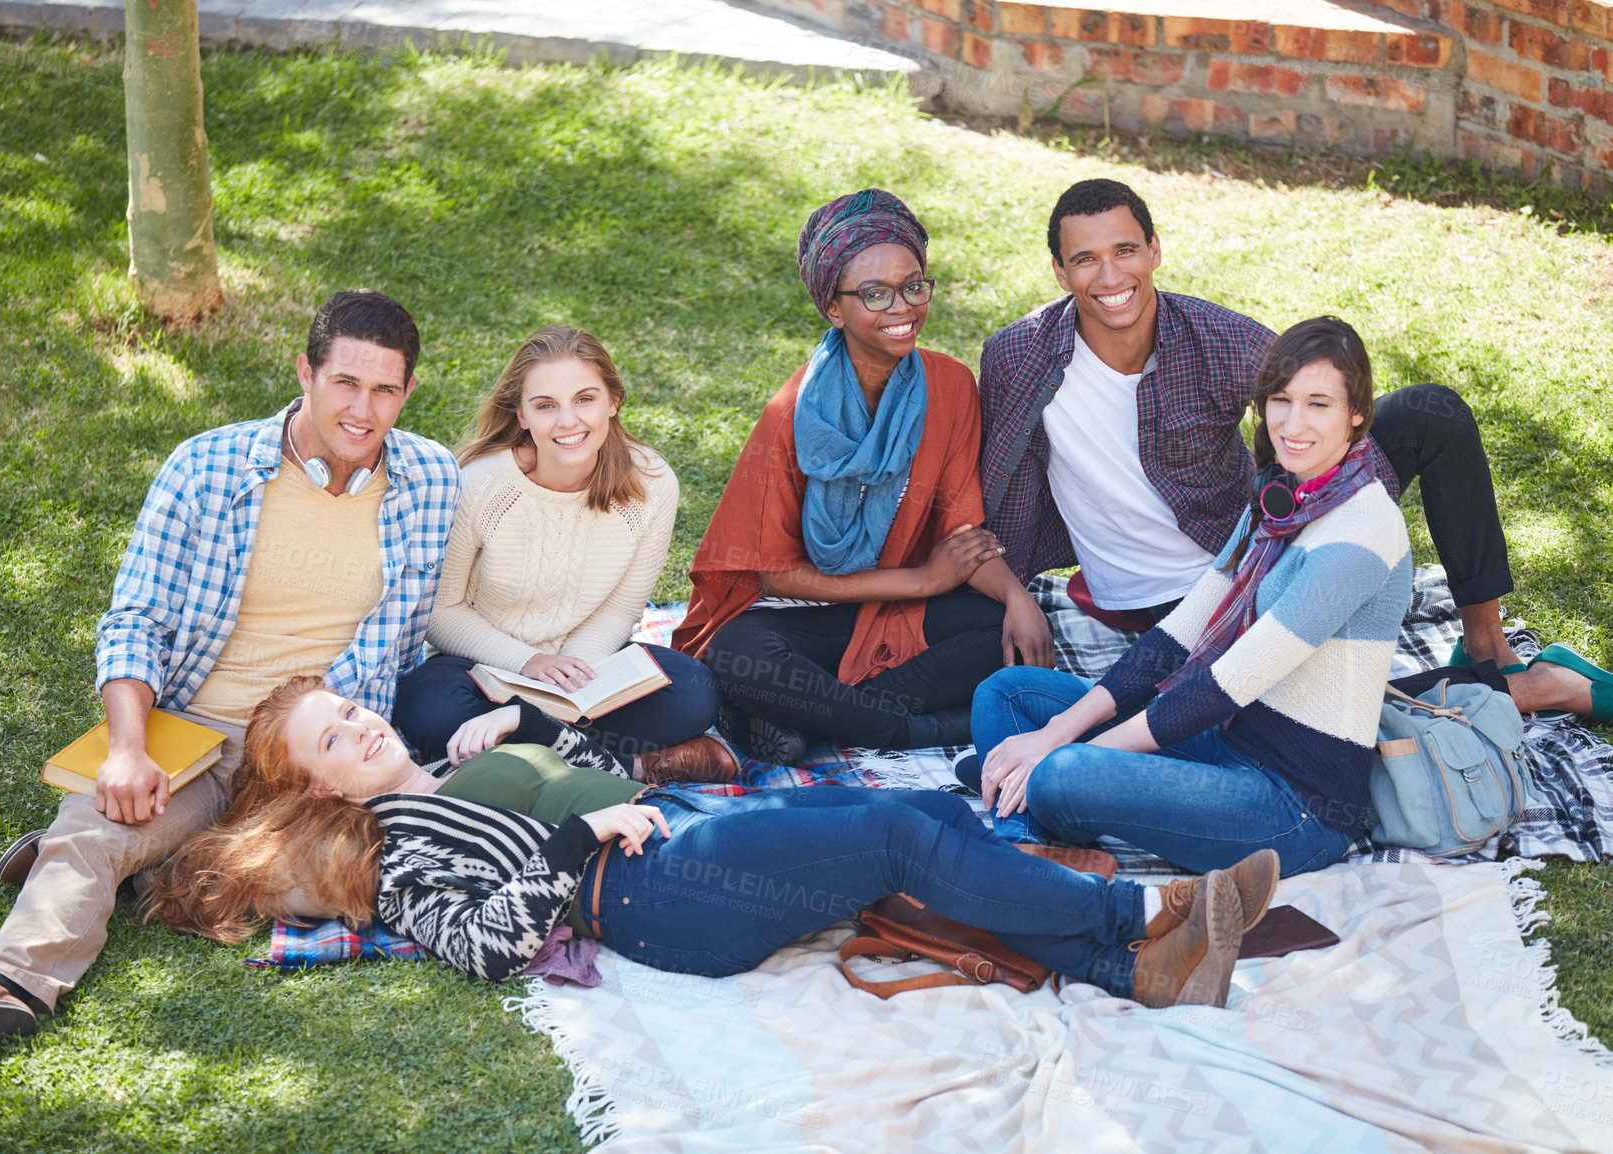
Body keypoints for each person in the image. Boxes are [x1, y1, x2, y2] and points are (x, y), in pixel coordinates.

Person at [0, 290, 463, 1040]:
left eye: (385, 389)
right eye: (345, 383)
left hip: (322, 756)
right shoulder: (207, 466)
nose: (363, 409)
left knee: (340, 883)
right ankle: (9, 981)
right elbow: (136, 620)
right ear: (305, 373)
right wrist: (127, 750)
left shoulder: (432, 478)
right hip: (196, 730)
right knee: (103, 820)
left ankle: (142, 862)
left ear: (408, 392)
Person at [145, 676, 1287, 1011]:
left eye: (350, 705)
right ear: (318, 785)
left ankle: (1126, 969)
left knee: (935, 818)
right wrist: (572, 836)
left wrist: (552, 741)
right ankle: (1140, 915)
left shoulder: (446, 773)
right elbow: (480, 945)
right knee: (896, 827)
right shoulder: (389, 846)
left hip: (682, 845)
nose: (361, 721)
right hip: (649, 899)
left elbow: (581, 767)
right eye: (335, 735)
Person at [978, 178, 1606, 721]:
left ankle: (1488, 651)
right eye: (1085, 259)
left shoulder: (1218, 338)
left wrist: (1318, 524)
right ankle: (1532, 689)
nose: (1110, 276)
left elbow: (1321, 410)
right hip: (1155, 602)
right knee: (1234, 712)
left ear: (1155, 251)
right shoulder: (1019, 355)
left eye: (1125, 250)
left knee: (1428, 412)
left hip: (1254, 565)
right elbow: (985, 481)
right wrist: (1012, 589)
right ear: (1060, 273)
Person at [973, 317, 1411, 878]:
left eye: (1318, 404)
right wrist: (1058, 732)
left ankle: (1028, 818)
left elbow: (1228, 684)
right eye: (1281, 400)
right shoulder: (1283, 501)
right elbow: (1179, 634)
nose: (1292, 423)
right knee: (1006, 696)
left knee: (1062, 773)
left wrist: (1065, 754)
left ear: (1357, 414)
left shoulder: (1363, 532)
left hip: (1296, 809)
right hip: (1226, 747)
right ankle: (1032, 830)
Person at [674, 189, 1051, 763]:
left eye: (913, 286)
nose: (901, 308)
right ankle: (912, 729)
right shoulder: (794, 412)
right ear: (833, 307)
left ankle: (809, 720)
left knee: (995, 628)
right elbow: (774, 579)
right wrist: (922, 582)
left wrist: (1019, 599)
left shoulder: (948, 387)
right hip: (806, 619)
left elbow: (962, 533)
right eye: (874, 294)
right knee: (738, 657)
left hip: (897, 614)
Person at [391, 325, 730, 782]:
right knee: (426, 708)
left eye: (585, 399)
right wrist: (531, 665)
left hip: (584, 665)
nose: (568, 421)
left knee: (695, 691)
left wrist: (572, 676)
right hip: (485, 666)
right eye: (546, 405)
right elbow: (441, 613)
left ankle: (525, 759)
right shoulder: (481, 486)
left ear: (613, 401)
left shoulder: (652, 484)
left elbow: (623, 605)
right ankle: (630, 766)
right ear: (523, 415)